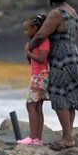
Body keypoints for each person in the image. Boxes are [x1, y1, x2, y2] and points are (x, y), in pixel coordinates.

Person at [27, 0, 78, 150]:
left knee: (59, 95)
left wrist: (29, 48)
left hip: (61, 59)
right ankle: (68, 136)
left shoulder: (56, 13)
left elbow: (40, 35)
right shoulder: (73, 12)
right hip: (74, 57)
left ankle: (67, 138)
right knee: (71, 96)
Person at [19, 13, 50, 146]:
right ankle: (37, 138)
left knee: (31, 105)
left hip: (40, 76)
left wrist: (29, 53)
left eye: (28, 29)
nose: (26, 32)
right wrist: (29, 52)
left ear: (36, 28)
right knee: (37, 106)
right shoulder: (36, 42)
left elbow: (42, 59)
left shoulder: (44, 41)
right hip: (38, 75)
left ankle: (33, 137)